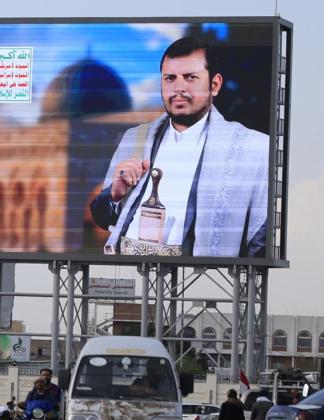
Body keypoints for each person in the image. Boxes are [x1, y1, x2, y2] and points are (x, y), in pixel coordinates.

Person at [90, 36, 269, 258]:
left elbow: (260, 240)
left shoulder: (252, 148)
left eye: (190, 77)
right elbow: (103, 218)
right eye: (170, 78)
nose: (178, 88)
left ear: (214, 85)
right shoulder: (135, 138)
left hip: (202, 273)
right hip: (130, 266)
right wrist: (115, 194)